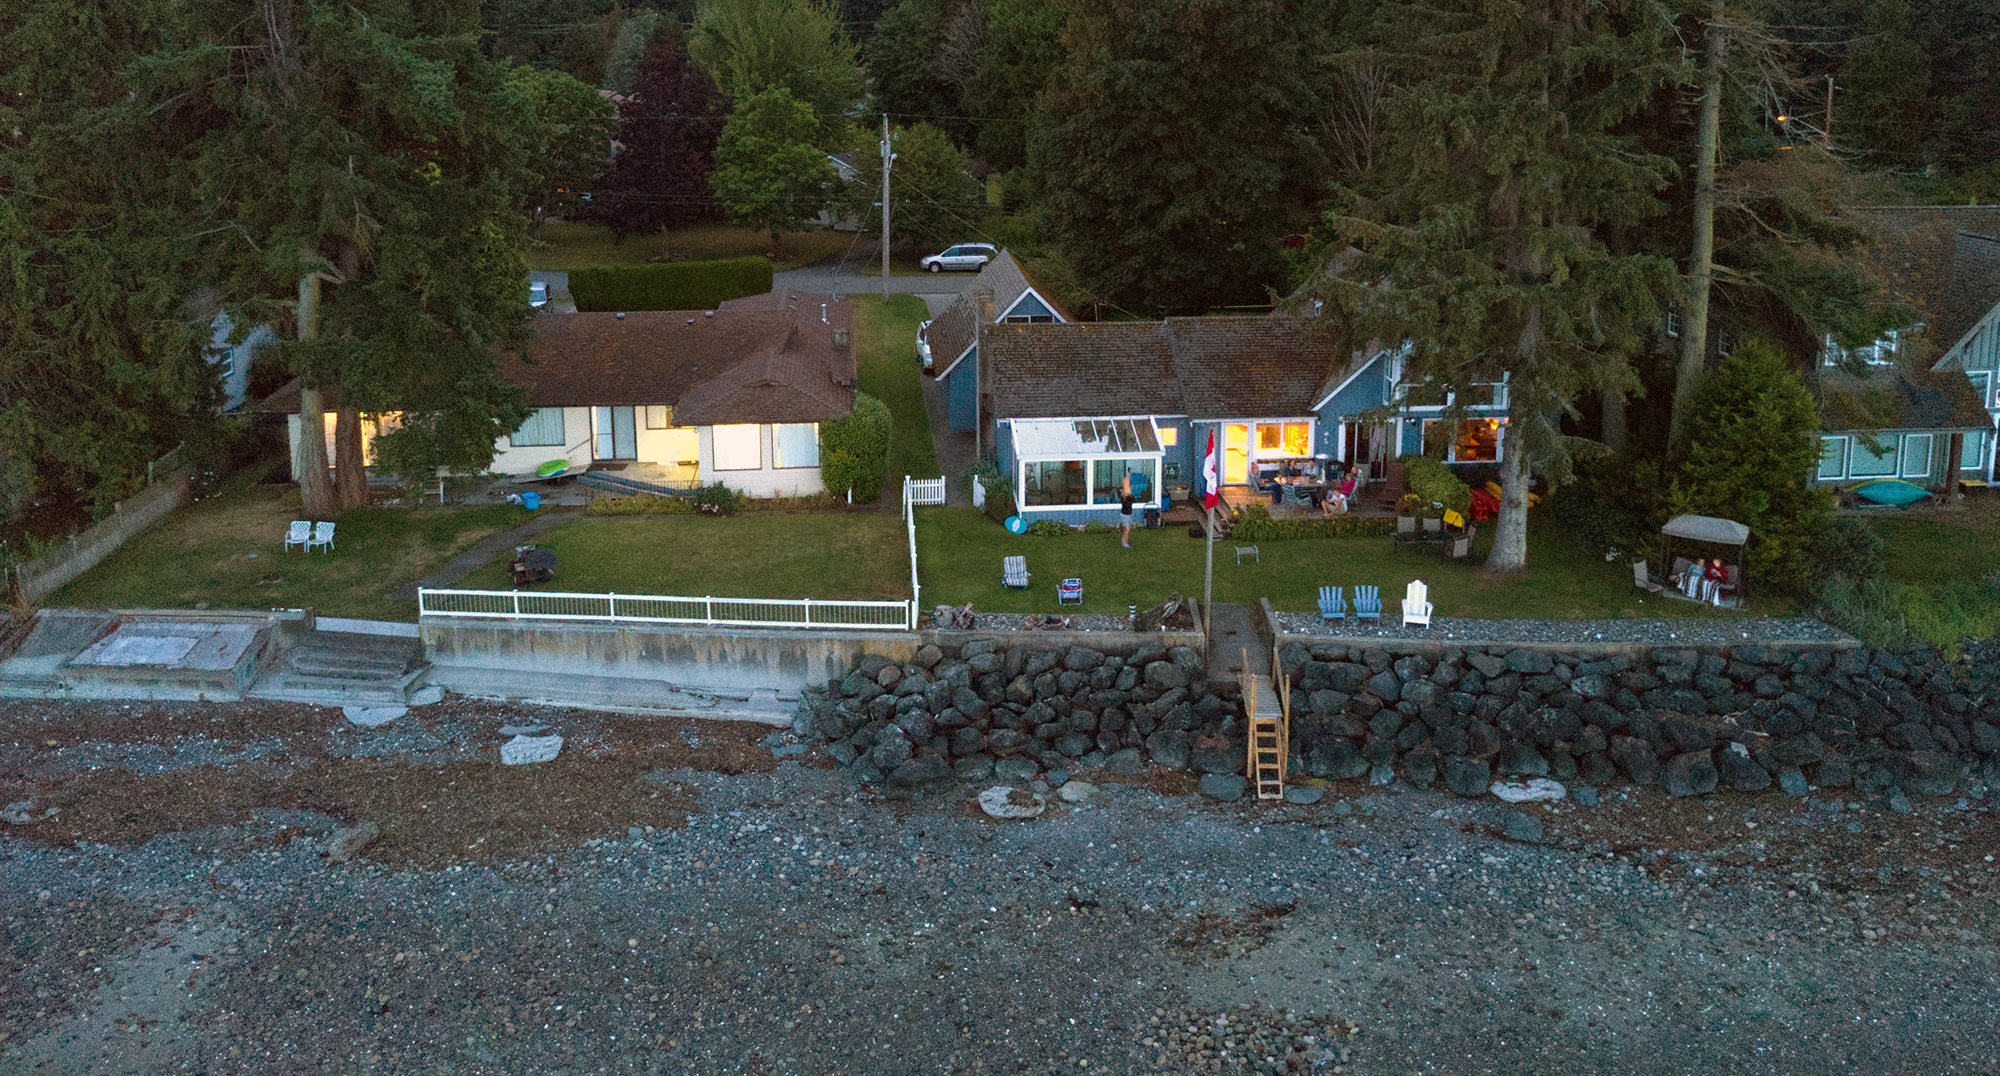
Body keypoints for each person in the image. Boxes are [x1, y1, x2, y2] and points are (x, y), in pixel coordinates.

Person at [1119, 474, 1135, 548]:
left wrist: (1130, 495)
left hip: (1128, 514)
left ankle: (1123, 540)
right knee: (1127, 529)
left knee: (1127, 528)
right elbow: (1127, 504)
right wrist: (1126, 496)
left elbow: (1133, 500)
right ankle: (1124, 542)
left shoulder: (1128, 497)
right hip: (1125, 514)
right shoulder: (1123, 498)